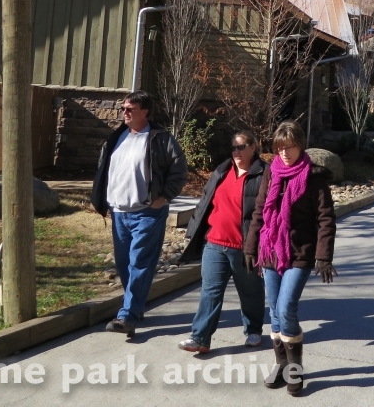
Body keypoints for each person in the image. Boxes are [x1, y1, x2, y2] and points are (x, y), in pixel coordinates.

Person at [244, 121, 337, 395]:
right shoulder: (271, 172)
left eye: (290, 147)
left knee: (286, 308)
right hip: (270, 251)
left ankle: (295, 368)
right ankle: (282, 365)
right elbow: (259, 211)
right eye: (280, 148)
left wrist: (324, 257)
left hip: (300, 252)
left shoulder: (314, 177)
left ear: (301, 145)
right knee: (274, 311)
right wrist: (250, 248)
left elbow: (326, 219)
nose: (284, 153)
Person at [91, 91, 187, 336]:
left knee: (140, 263)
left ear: (144, 112)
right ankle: (134, 306)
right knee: (124, 264)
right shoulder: (117, 137)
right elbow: (104, 169)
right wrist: (100, 199)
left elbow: (179, 170)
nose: (124, 112)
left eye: (129, 109)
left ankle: (128, 316)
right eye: (123, 108)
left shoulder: (160, 138)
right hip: (119, 213)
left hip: (147, 212)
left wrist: (163, 197)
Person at [178, 130, 267, 353]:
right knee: (210, 291)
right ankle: (200, 338)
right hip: (215, 243)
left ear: (253, 147)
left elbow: (268, 211)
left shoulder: (264, 173)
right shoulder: (222, 170)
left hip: (245, 247)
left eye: (241, 146)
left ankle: (253, 330)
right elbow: (205, 201)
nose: (236, 151)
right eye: (233, 147)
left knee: (250, 291)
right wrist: (194, 229)